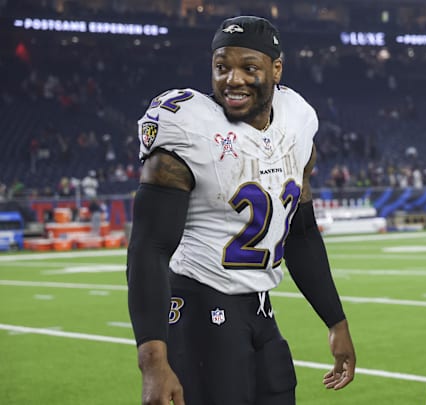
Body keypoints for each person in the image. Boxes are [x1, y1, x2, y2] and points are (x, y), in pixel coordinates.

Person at [126, 16, 356, 405]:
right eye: (222, 67)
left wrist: (336, 321)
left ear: (276, 69)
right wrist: (153, 361)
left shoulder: (296, 120)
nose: (233, 79)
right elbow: (148, 248)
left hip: (260, 306)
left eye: (249, 67)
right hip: (199, 306)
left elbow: (299, 234)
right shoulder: (188, 127)